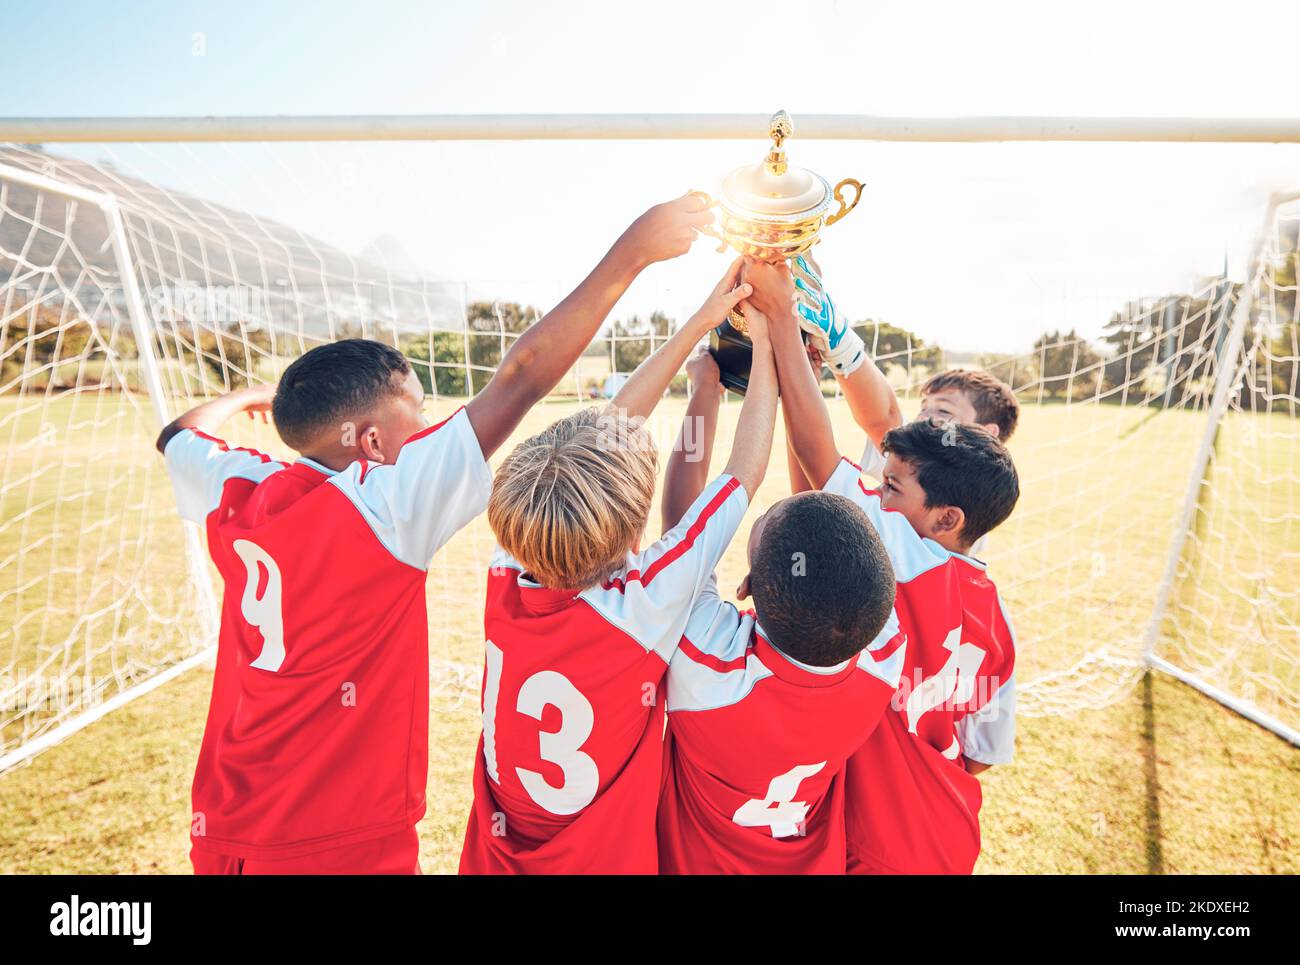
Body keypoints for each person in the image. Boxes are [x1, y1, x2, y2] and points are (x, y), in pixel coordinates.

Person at [157, 193, 714, 874]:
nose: (429, 430)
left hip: (226, 827)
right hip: (335, 843)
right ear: (368, 441)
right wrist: (636, 250)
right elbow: (521, 375)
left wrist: (251, 401)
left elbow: (178, 434)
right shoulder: (384, 504)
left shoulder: (240, 484)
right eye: (415, 417)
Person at [459, 260, 779, 873]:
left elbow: (613, 432)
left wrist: (700, 331)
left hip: (501, 854)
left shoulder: (512, 565)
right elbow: (744, 473)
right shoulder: (645, 602)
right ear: (632, 528)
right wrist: (767, 343)